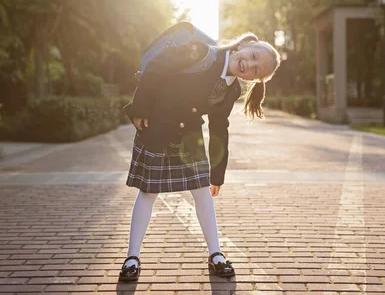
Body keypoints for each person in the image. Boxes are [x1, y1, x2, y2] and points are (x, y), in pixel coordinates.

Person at [119, 30, 281, 282]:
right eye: (251, 56)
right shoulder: (202, 52)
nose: (248, 65)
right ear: (244, 46)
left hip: (189, 136)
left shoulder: (231, 90)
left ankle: (215, 253)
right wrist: (139, 108)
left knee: (202, 191)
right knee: (148, 192)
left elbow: (219, 128)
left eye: (255, 70)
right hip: (158, 126)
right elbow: (156, 68)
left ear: (254, 80)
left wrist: (217, 173)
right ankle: (132, 258)